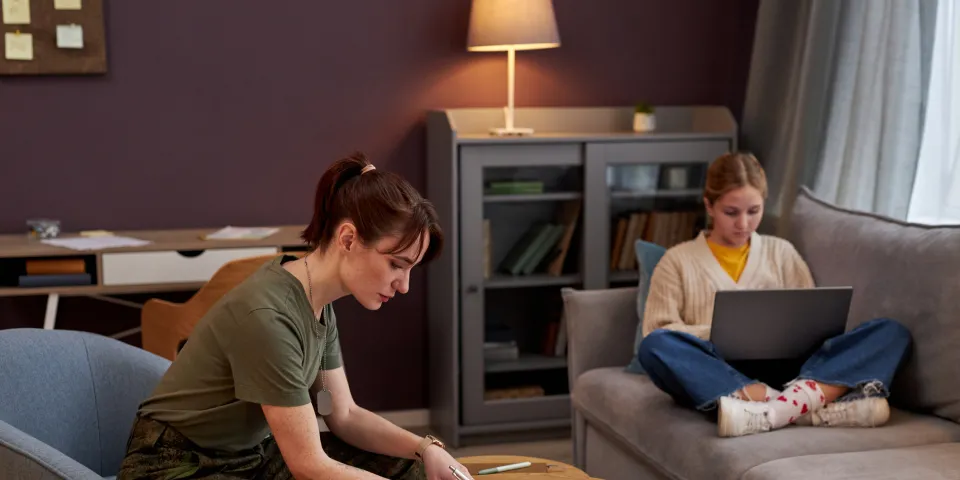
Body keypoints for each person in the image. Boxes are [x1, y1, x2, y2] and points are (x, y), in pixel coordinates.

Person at [118, 153, 472, 480]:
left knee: (413, 468)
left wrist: (426, 448)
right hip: (175, 463)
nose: (404, 285)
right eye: (396, 264)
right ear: (348, 239)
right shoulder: (269, 317)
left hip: (250, 453)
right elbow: (308, 465)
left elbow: (344, 415)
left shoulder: (317, 302)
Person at [635, 152, 912, 438]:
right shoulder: (676, 261)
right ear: (709, 206)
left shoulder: (782, 252)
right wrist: (720, 333)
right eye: (731, 212)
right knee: (654, 347)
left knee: (892, 333)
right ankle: (804, 409)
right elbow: (658, 329)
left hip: (792, 369)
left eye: (753, 211)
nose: (743, 223)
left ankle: (771, 412)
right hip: (719, 371)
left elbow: (812, 322)